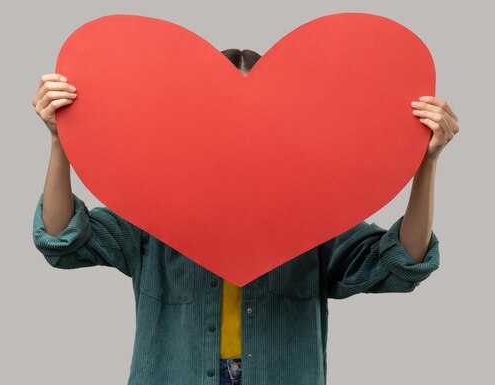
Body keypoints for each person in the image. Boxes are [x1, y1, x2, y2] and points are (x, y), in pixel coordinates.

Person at [30, 48, 459, 385]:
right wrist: (61, 139)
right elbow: (62, 239)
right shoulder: (154, 209)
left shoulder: (314, 211)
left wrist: (426, 163)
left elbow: (401, 263)